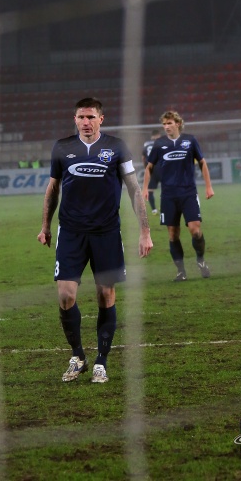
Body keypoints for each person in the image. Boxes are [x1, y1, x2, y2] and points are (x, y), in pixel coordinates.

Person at [37, 97, 153, 384]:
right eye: (81, 117)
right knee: (66, 295)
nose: (86, 122)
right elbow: (53, 188)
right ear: (74, 120)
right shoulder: (62, 147)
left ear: (101, 119)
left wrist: (145, 232)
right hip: (71, 232)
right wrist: (45, 226)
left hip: (107, 232)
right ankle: (78, 356)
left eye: (91, 117)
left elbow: (134, 189)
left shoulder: (117, 147)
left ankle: (101, 360)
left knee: (105, 295)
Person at [142, 110, 214, 282]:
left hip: (188, 193)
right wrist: (145, 188)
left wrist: (208, 187)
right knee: (173, 234)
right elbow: (149, 167)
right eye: (164, 124)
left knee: (195, 230)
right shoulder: (159, 144)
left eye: (169, 123)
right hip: (168, 196)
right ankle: (181, 272)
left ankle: (201, 260)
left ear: (178, 123)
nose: (166, 127)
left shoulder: (190, 140)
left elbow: (202, 163)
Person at [141, 129, 162, 215]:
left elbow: (143, 158)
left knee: (150, 190)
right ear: (158, 135)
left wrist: (145, 168)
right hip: (161, 167)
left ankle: (154, 210)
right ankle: (163, 207)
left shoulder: (146, 144)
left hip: (150, 168)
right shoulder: (161, 142)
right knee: (166, 188)